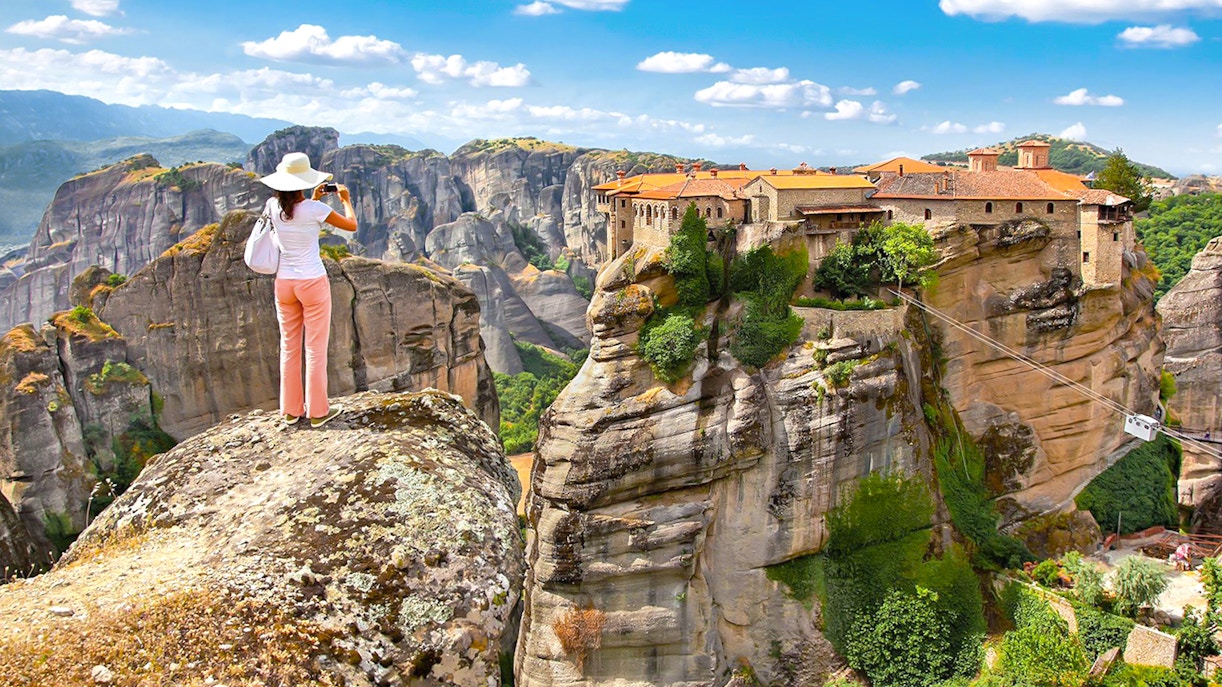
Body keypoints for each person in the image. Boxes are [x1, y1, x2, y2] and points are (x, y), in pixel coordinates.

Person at [258, 152, 358, 428]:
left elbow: (293, 215)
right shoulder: (315, 211)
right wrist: (345, 200)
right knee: (315, 348)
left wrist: (313, 200)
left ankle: (291, 411)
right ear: (303, 181)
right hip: (313, 283)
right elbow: (351, 225)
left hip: (284, 284)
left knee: (289, 346)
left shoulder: (271, 206)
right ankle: (317, 413)